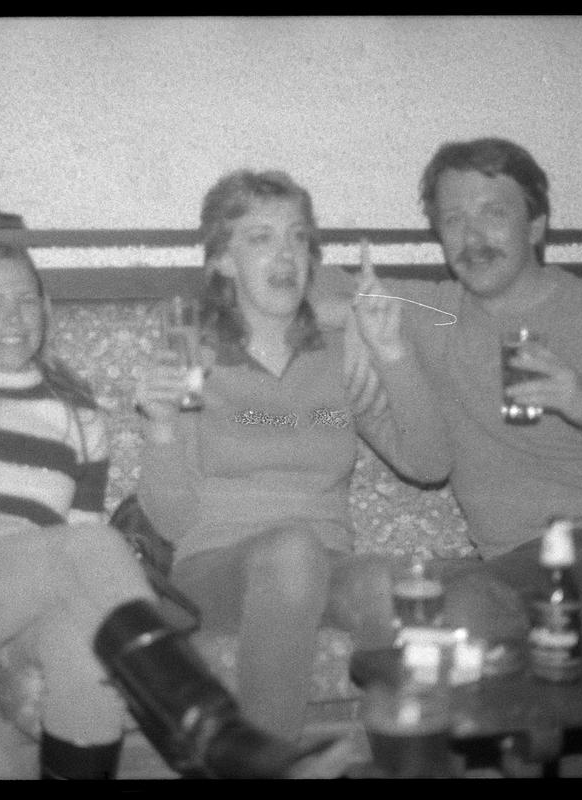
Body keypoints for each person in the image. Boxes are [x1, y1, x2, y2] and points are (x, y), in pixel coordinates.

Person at [0, 241, 353, 780]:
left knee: (86, 657)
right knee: (95, 547)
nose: (13, 318)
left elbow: (81, 547)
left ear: (45, 312)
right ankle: (210, 732)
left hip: (39, 591)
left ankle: (205, 736)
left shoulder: (78, 414)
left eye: (27, 301)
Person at [350, 137, 582, 774]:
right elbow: (330, 291)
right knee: (462, 621)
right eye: (452, 220)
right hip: (511, 567)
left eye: (493, 213)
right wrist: (365, 350)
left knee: (575, 636)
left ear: (537, 225)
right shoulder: (435, 311)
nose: (471, 237)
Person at [135, 169, 451, 741]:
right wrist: (159, 429)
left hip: (329, 561)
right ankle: (264, 761)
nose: (285, 254)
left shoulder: (337, 355)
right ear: (223, 261)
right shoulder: (190, 354)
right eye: (260, 238)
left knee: (390, 587)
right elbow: (171, 522)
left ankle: (412, 758)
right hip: (218, 569)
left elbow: (429, 463)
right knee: (292, 552)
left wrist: (391, 351)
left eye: (298, 237)